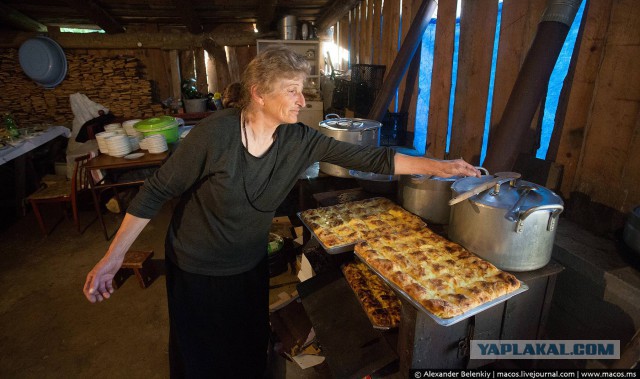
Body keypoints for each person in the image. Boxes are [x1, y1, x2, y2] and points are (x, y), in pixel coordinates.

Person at [83, 45, 480, 378]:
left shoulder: (299, 139)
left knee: (247, 345)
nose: (302, 101)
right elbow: (155, 192)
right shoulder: (215, 135)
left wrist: (440, 167)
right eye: (292, 91)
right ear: (258, 93)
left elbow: (372, 158)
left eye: (302, 90)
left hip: (249, 262)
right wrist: (112, 258)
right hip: (198, 268)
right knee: (201, 357)